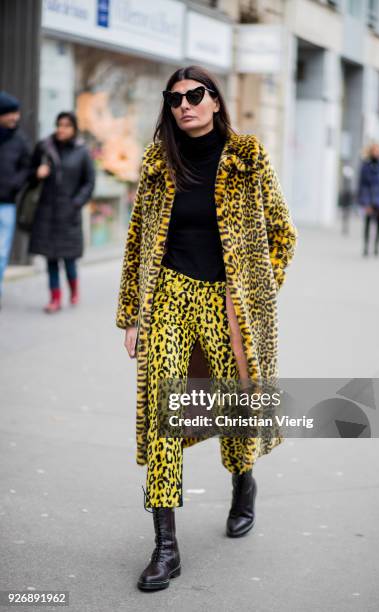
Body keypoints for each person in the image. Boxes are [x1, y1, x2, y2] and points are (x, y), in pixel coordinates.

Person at [115, 65, 298, 592]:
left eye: (196, 95)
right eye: (175, 99)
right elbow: (136, 244)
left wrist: (256, 291)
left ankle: (244, 483)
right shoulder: (156, 163)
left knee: (236, 407)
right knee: (162, 417)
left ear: (216, 101)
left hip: (227, 302)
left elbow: (282, 234)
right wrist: (131, 314)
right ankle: (165, 547)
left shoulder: (247, 157)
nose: (186, 105)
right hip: (169, 296)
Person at [28, 111, 95, 313]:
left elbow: (89, 182)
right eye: (59, 125)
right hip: (47, 213)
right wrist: (37, 174)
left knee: (69, 259)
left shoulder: (82, 151)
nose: (61, 129)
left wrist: (76, 203)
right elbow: (29, 175)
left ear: (74, 128)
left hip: (69, 213)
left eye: (66, 125)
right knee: (50, 259)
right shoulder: (44, 148)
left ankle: (74, 288)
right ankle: (54, 298)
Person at [0, 91, 31, 309]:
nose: (14, 117)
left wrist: (14, 184)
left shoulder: (20, 140)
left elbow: (27, 167)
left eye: (16, 113)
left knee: (2, 251)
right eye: (10, 113)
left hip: (7, 204)